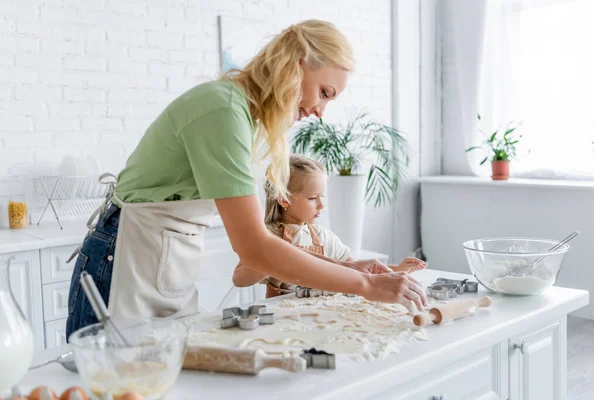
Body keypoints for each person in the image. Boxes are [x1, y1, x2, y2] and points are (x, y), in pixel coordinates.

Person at [65, 19, 428, 339]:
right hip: (121, 260)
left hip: (156, 263)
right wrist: (364, 284)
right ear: (298, 65)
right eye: (324, 93)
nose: (320, 111)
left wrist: (348, 267)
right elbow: (254, 247)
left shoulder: (246, 120)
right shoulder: (223, 109)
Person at [233, 154, 428, 298]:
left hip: (321, 316)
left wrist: (397, 270)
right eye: (312, 198)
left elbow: (355, 270)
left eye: (322, 197)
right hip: (282, 320)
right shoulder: (267, 237)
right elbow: (239, 279)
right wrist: (274, 259)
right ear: (284, 200)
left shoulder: (325, 238)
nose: (321, 205)